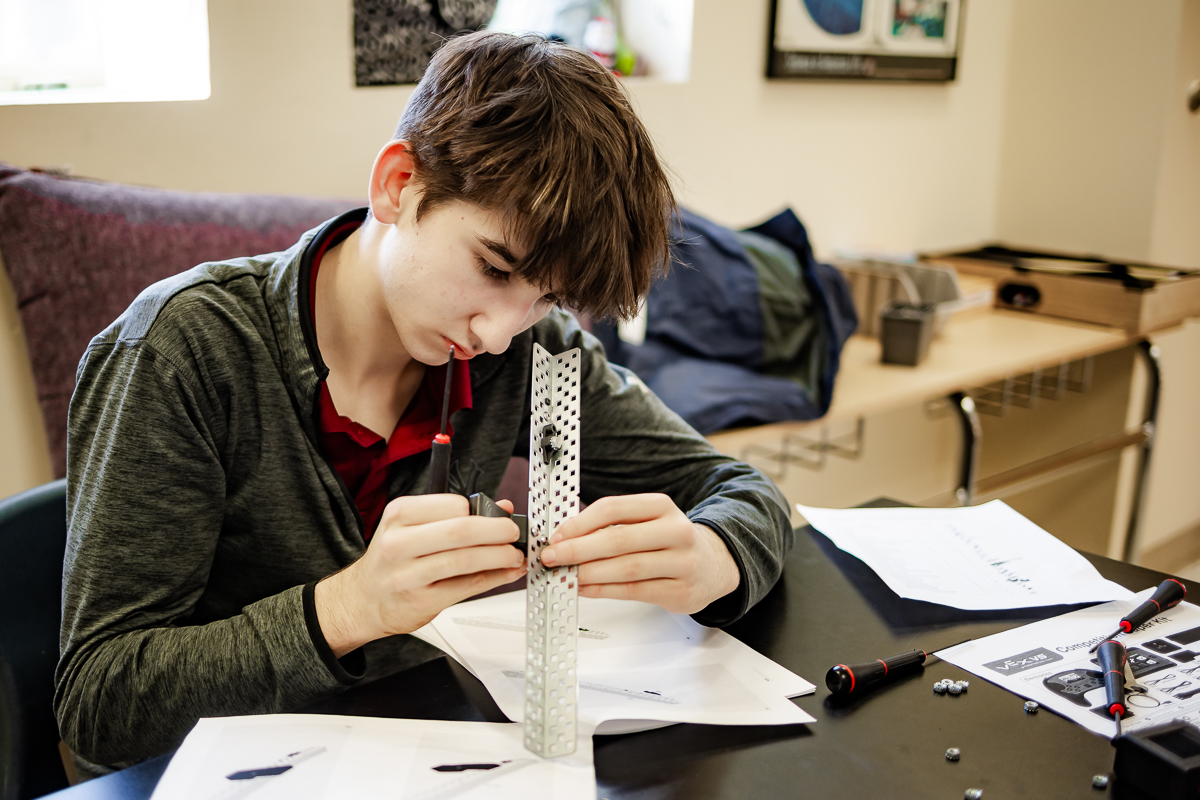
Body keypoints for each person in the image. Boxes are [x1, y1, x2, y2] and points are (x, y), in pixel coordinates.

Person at [55, 31, 793, 778]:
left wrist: (717, 555)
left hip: (414, 756)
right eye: (494, 267)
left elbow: (742, 490)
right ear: (399, 183)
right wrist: (346, 610)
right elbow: (98, 705)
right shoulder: (182, 350)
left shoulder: (532, 353)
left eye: (546, 298)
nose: (500, 333)